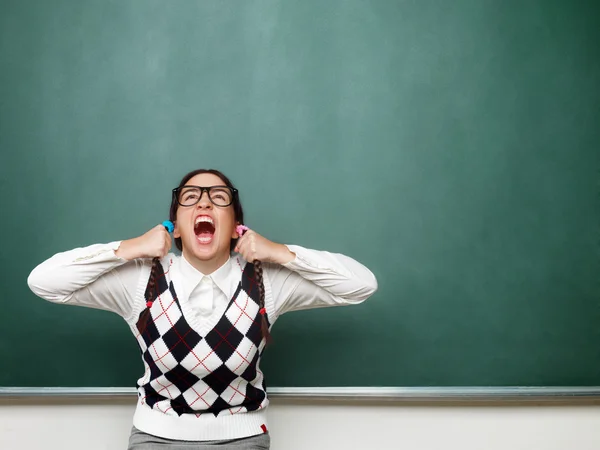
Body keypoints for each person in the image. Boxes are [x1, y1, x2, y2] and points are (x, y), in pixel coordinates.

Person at [27, 168, 378, 449]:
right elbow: (44, 281)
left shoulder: (266, 281)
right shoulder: (142, 279)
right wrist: (131, 247)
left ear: (237, 228)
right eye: (191, 198)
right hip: (154, 439)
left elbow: (361, 285)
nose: (204, 205)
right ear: (175, 227)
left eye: (219, 198)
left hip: (244, 439)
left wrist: (280, 252)